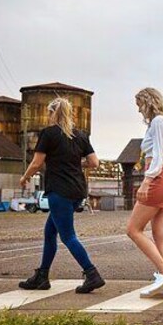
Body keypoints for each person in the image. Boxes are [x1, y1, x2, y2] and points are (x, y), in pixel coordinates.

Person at [18, 98, 105, 294]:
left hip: (60, 190)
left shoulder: (49, 134)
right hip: (77, 190)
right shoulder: (80, 135)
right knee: (50, 232)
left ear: (53, 113)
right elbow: (94, 162)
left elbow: (37, 163)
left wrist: (24, 178)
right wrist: (74, 163)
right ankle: (42, 276)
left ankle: (92, 274)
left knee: (68, 236)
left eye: (50, 113)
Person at [126, 88, 163, 298]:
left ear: (148, 102)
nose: (139, 110)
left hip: (159, 177)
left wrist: (146, 181)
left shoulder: (158, 122)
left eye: (140, 105)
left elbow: (157, 155)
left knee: (133, 229)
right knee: (160, 233)